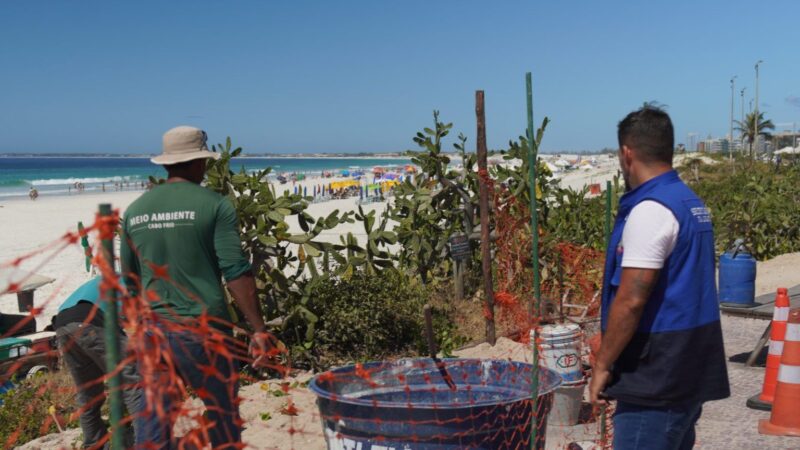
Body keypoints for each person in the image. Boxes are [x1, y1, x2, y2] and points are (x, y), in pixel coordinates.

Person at [120, 126, 280, 449]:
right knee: (222, 415)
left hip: (153, 330)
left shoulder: (134, 212)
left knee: (154, 422)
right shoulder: (215, 205)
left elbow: (131, 281)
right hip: (203, 329)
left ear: (167, 163)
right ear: (198, 162)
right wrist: (259, 329)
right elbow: (235, 271)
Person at [588, 107, 730, 450]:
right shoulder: (688, 201)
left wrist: (603, 365)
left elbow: (632, 297)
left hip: (655, 380)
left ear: (627, 153)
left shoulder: (651, 210)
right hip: (686, 369)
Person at [53, 276, 144, 449]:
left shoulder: (108, 279)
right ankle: (146, 442)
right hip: (90, 320)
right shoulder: (131, 280)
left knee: (88, 392)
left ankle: (93, 445)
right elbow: (135, 322)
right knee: (133, 381)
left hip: (62, 325)